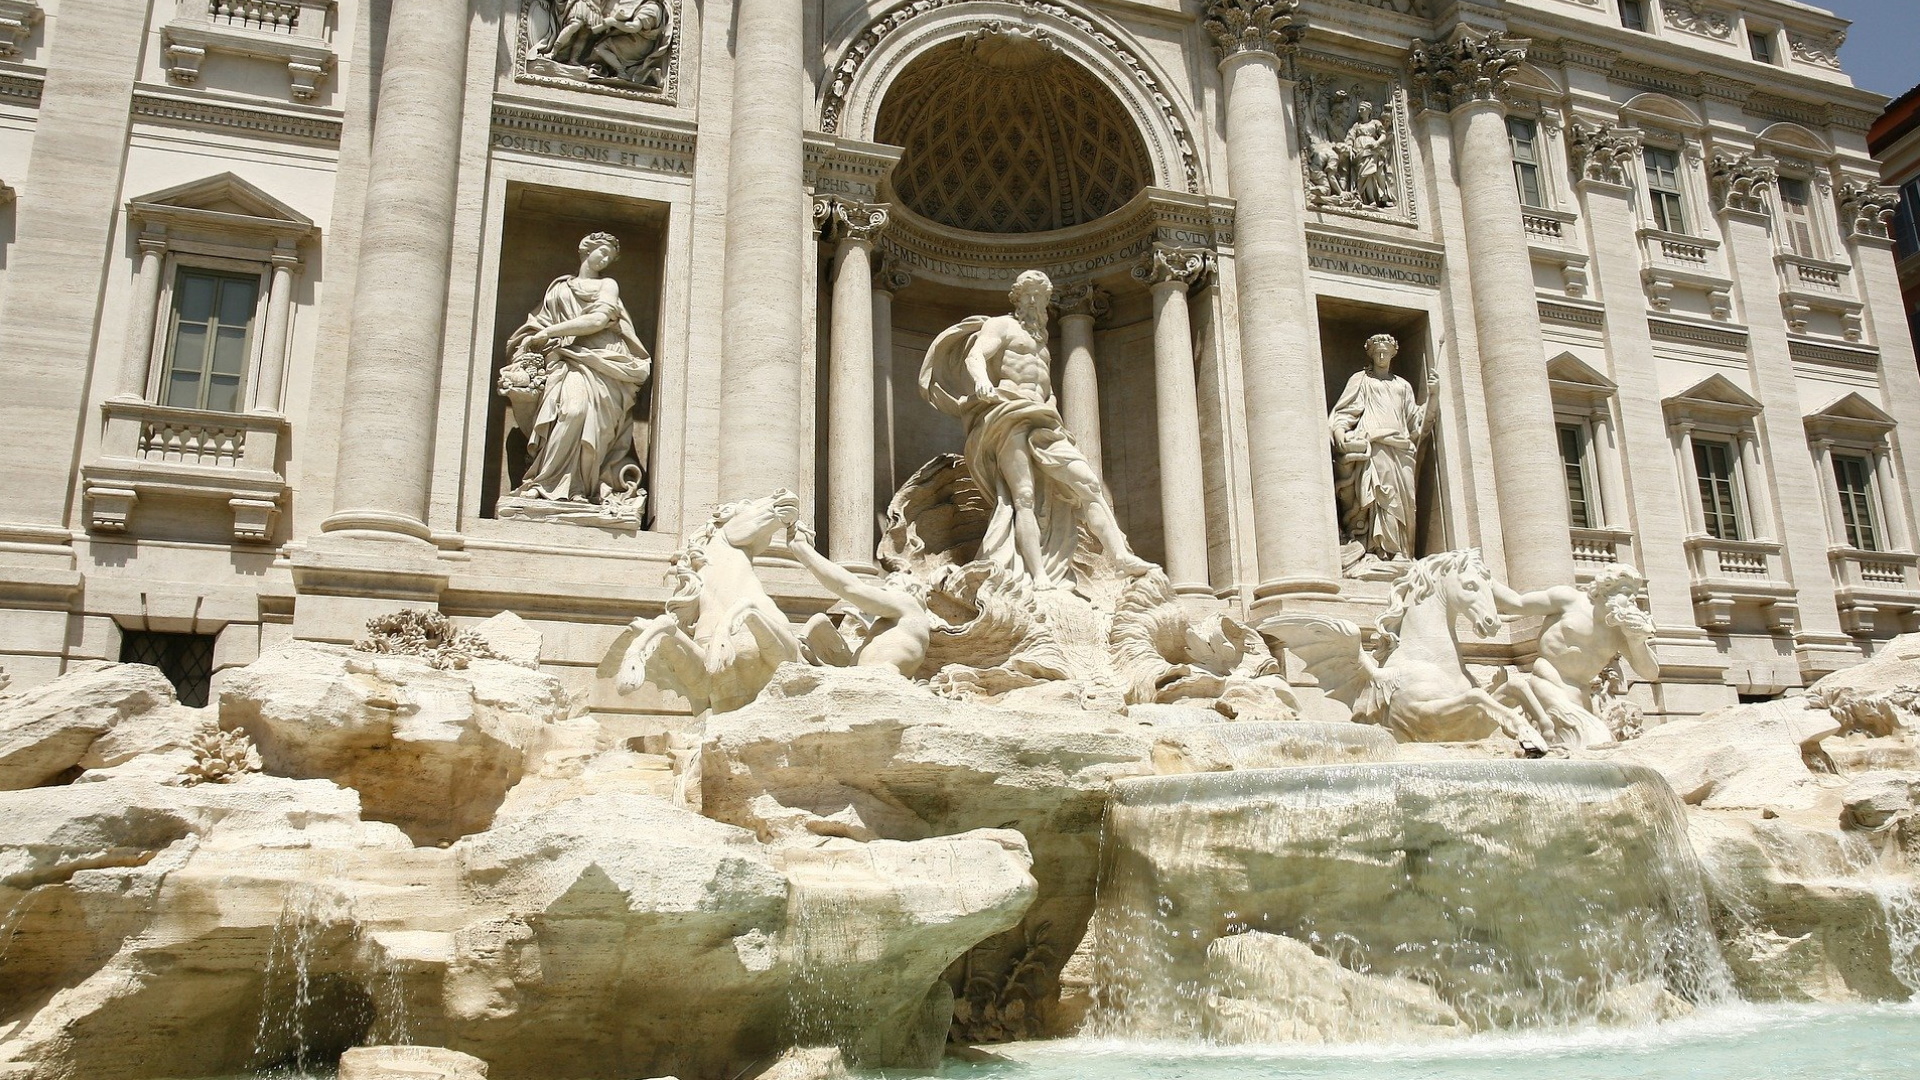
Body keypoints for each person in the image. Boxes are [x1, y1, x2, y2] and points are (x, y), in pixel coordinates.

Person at [920, 270, 1153, 589]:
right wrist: (983, 382)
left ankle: (1121, 557)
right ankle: (1038, 576)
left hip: (1044, 418)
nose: (1033, 301)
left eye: (1040, 297)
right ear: (1016, 298)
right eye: (1028, 295)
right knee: (1024, 497)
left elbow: (1045, 388)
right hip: (1008, 413)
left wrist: (1054, 407)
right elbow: (976, 354)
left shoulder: (1041, 343)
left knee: (1088, 485)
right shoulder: (1001, 326)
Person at [499, 232, 652, 504]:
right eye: (601, 251)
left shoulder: (608, 285)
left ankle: (581, 488)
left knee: (592, 422)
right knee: (571, 411)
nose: (605, 258)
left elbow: (597, 320)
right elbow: (536, 324)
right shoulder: (559, 289)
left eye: (610, 255)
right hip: (567, 359)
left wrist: (550, 332)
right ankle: (546, 482)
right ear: (585, 250)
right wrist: (534, 340)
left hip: (604, 362)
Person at [1492, 564, 1660, 749]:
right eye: (1626, 592)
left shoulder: (1619, 631)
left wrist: (1637, 642)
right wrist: (1482, 578)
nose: (1632, 600)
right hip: (1550, 679)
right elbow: (1515, 603)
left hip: (1583, 694)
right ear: (1606, 588)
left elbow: (1651, 673)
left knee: (1590, 745)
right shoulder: (1569, 600)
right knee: (1589, 739)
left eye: (1635, 595)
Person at [1328, 333, 1434, 564]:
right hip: (1376, 445)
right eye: (1378, 352)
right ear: (1371, 354)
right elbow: (1344, 413)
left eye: (1386, 352)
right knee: (1382, 497)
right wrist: (1340, 436)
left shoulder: (1403, 386)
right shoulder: (1362, 380)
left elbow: (1418, 423)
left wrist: (1433, 395)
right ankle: (1379, 550)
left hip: (1402, 449)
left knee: (1405, 501)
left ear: (1393, 353)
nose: (1382, 355)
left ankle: (1402, 552)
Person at [786, 521, 931, 678]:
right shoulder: (906, 626)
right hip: (864, 680)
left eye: (891, 584)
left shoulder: (907, 603)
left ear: (912, 589)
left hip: (873, 682)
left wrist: (801, 549)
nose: (883, 590)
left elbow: (851, 588)